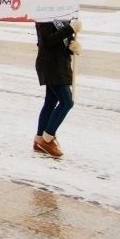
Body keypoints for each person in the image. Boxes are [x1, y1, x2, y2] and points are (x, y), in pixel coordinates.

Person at [34, 19, 81, 158]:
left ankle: (38, 140)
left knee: (50, 103)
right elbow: (46, 41)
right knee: (67, 102)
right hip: (50, 65)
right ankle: (47, 139)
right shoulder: (44, 16)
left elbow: (62, 40)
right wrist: (70, 29)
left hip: (60, 65)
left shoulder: (63, 16)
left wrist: (72, 46)